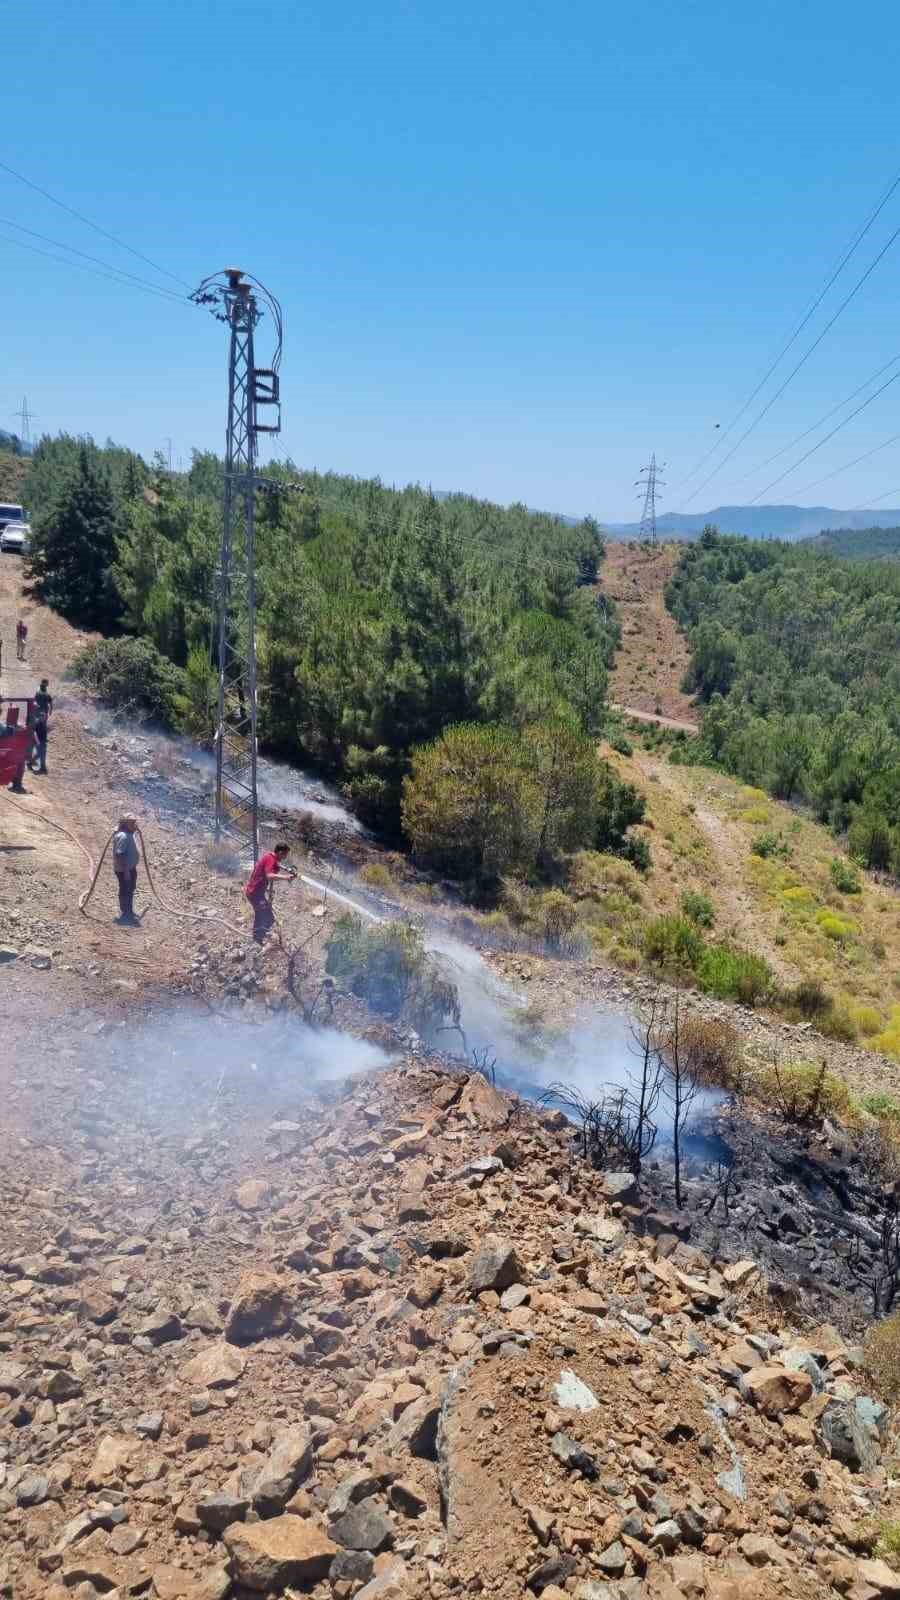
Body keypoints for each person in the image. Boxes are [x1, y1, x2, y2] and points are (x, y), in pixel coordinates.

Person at [244, 841, 295, 942]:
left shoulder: (270, 857)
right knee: (268, 917)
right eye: (285, 854)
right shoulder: (270, 859)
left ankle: (257, 938)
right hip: (255, 893)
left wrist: (289, 872)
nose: (285, 857)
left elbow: (272, 870)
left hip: (255, 892)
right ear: (280, 852)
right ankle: (257, 939)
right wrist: (285, 877)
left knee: (262, 915)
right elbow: (269, 875)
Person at [112, 814, 141, 925]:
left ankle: (129, 911)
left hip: (129, 868)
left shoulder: (129, 834)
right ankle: (125, 914)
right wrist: (126, 871)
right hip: (124, 870)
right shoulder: (123, 836)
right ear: (125, 824)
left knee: (130, 889)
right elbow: (119, 854)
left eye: (135, 822)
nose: (135, 825)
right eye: (132, 823)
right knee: (125, 890)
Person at [28, 680, 52, 775]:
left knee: (35, 744)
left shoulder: (36, 694)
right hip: (40, 722)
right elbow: (50, 708)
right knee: (42, 745)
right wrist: (47, 715)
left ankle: (32, 762)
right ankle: (41, 765)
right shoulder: (46, 695)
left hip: (35, 721)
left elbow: (32, 706)